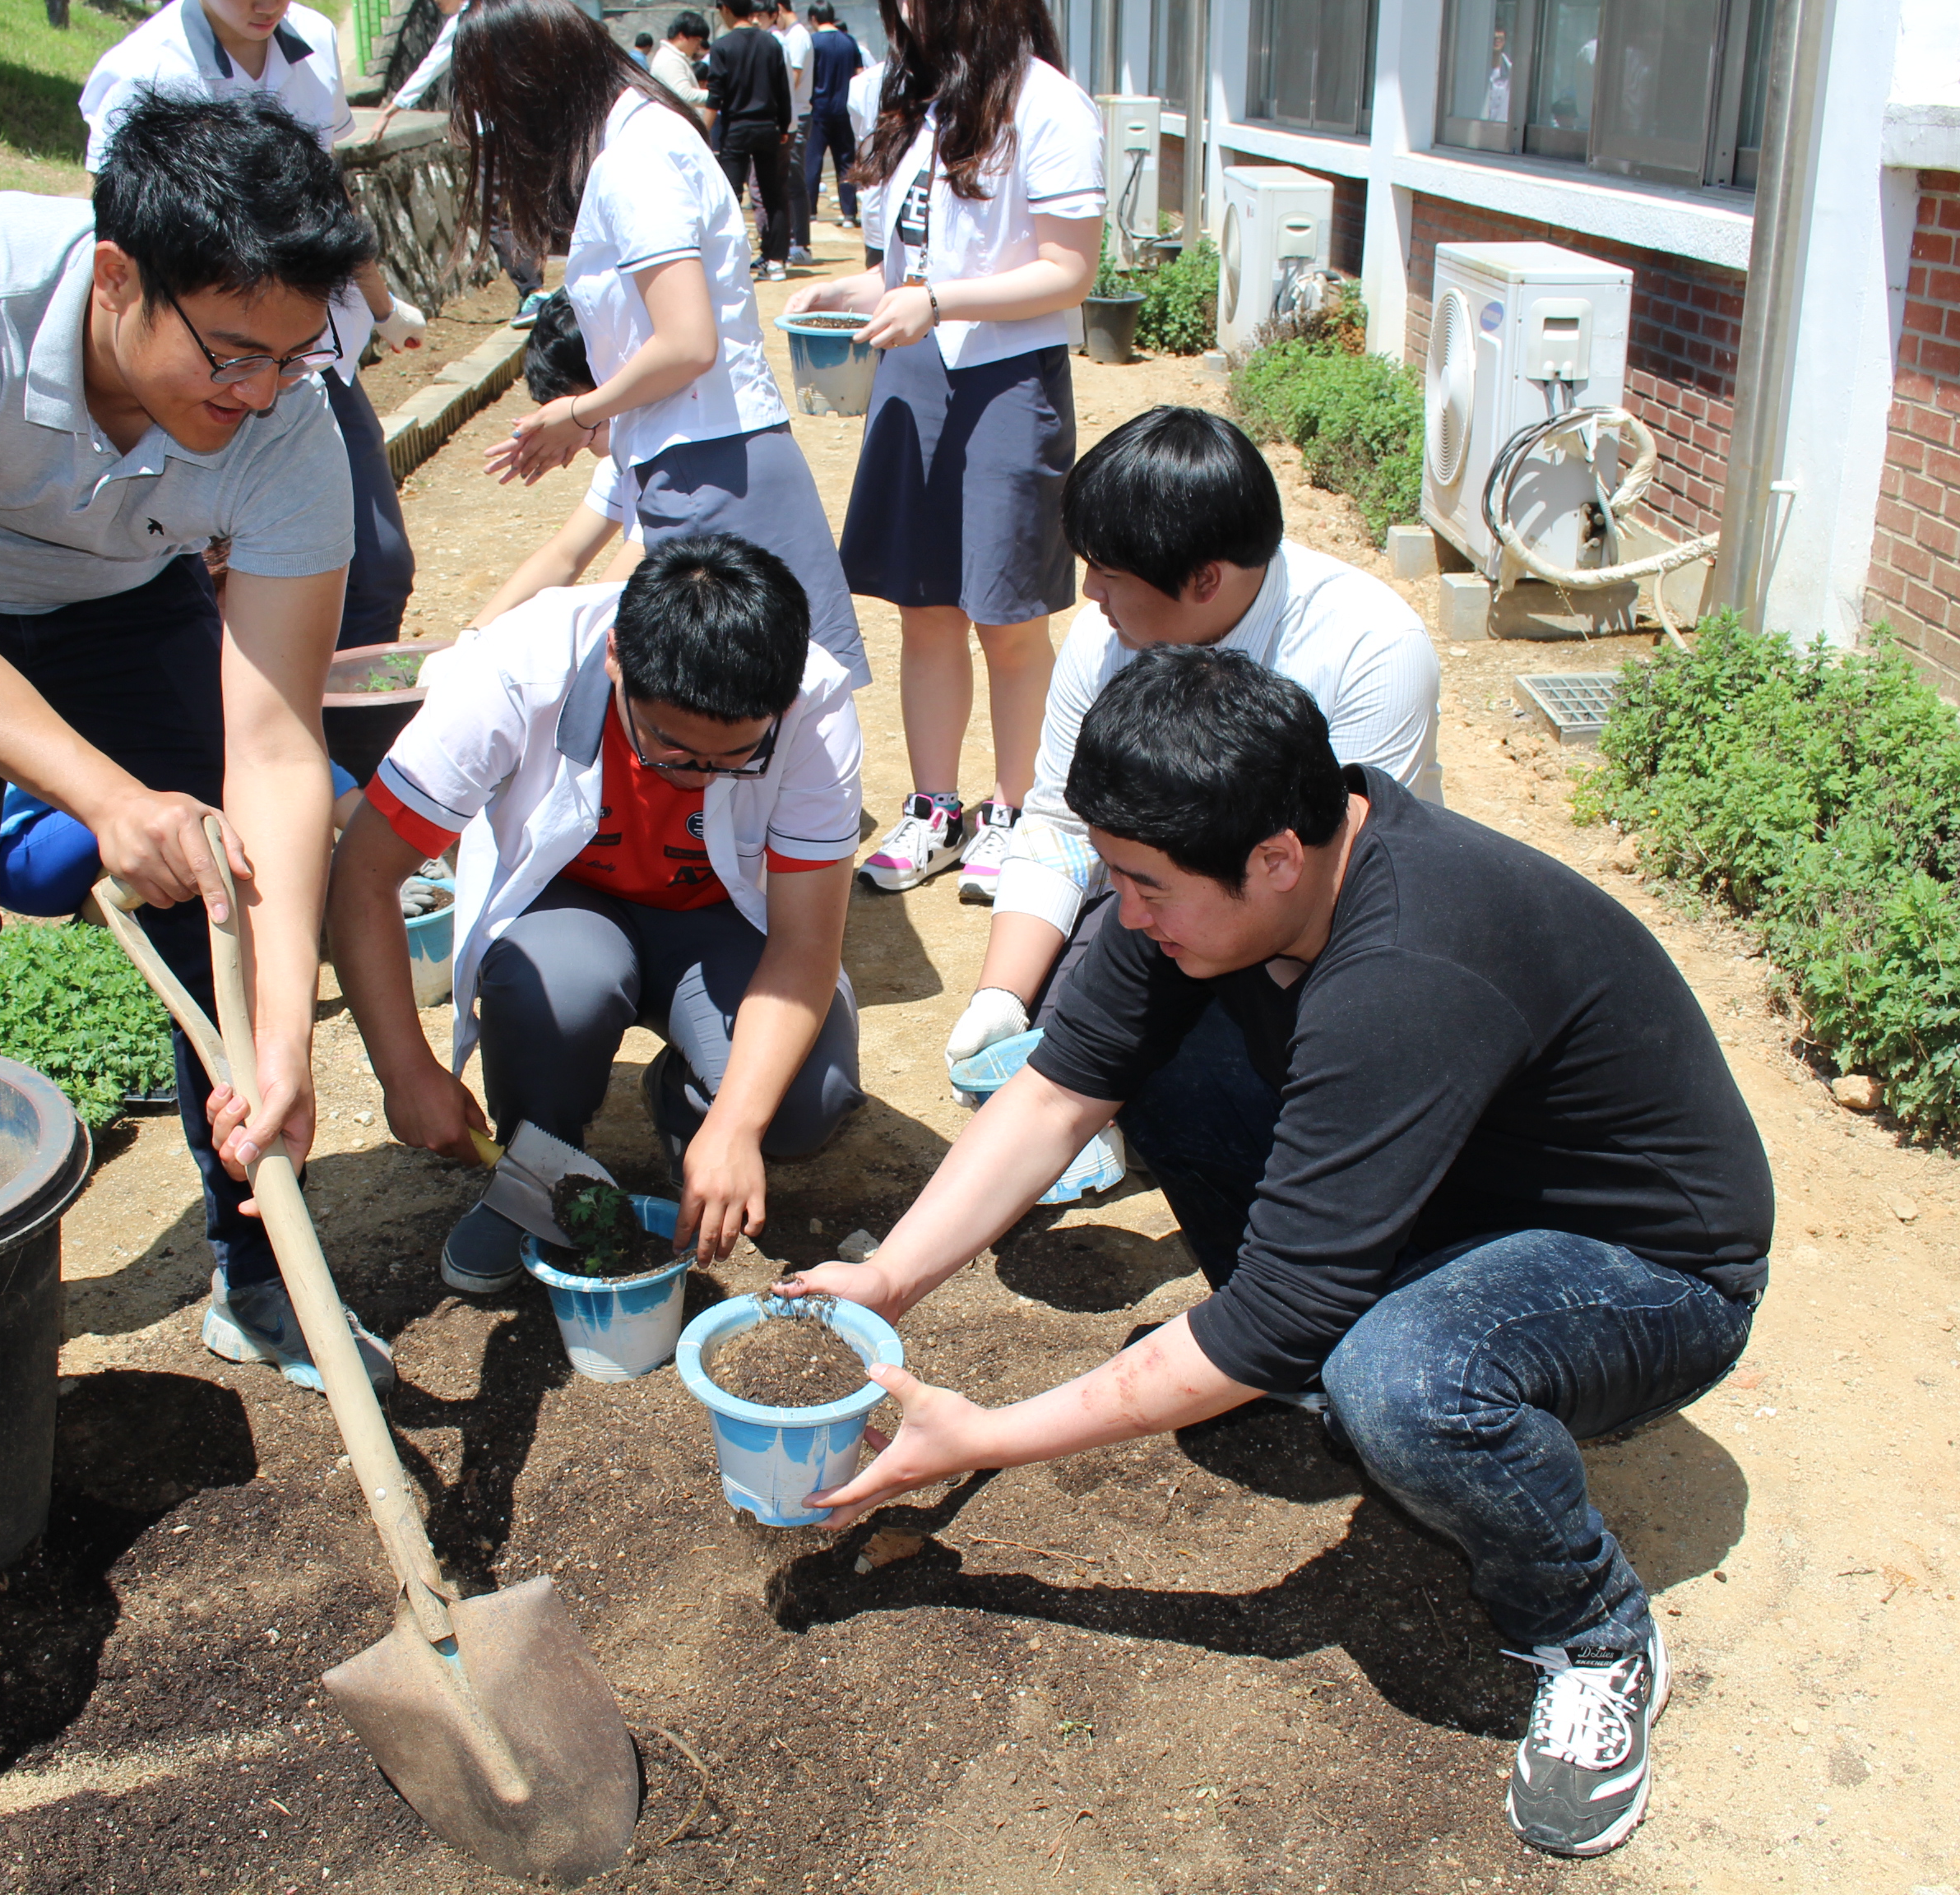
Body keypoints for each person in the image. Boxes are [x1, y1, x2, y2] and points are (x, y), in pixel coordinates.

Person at [779, 646, 1774, 1862]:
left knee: (1403, 1386)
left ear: (1277, 858)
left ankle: (1594, 1630)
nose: (1125, 915)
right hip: (1455, 1189)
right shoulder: (1226, 875)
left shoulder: (1412, 962)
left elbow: (1271, 1317)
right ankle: (1336, 1345)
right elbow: (1052, 1097)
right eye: (1114, 877)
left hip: (1642, 1273)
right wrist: (889, 1280)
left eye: (1146, 887)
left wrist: (986, 1436)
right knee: (1173, 1080)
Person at [0, 92, 396, 1394]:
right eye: (230, 353)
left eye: (291, 358)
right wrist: (110, 798)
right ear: (120, 276)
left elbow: (280, 749)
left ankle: (258, 1282)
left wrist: (285, 1041)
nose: (256, 394)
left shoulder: (289, 420)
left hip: (122, 604)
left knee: (217, 902)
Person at [330, 535, 866, 1290]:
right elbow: (363, 872)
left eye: (734, 759)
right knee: (555, 988)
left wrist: (735, 1126)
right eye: (671, 751)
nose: (697, 779)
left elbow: (806, 943)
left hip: (716, 919)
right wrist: (405, 1069)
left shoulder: (813, 701)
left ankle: (689, 1118)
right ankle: (531, 1173)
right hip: (571, 907)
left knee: (805, 1099)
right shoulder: (514, 670)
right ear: (615, 657)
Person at [948, 409, 1443, 1156]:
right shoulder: (1106, 636)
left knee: (1222, 1079)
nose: (1089, 593)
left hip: (1308, 929)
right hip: (1158, 905)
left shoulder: (1371, 647)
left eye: (1108, 574)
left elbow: (1333, 882)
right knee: (1056, 1045)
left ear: (1205, 579)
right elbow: (1058, 825)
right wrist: (1002, 997)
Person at [453, 0, 867, 686]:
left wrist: (581, 414)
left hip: (710, 463)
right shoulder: (644, 145)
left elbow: (685, 343)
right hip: (704, 455)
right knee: (751, 701)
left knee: (738, 701)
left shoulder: (635, 161)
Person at [787, 0, 1101, 901]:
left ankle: (1015, 812)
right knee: (923, 608)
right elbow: (911, 260)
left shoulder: (1046, 105)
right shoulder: (916, 103)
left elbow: (1070, 269)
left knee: (1007, 614)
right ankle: (937, 811)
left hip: (1006, 374)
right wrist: (854, 290)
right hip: (916, 370)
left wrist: (942, 299)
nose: (910, 12)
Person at [80, 0, 431, 654]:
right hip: (203, 365)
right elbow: (125, 230)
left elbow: (326, 195)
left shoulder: (316, 41)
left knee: (379, 567)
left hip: (303, 357)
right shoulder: (143, 72)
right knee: (204, 579)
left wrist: (379, 306)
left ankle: (338, 729)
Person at [464, 293, 651, 628]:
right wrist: (473, 637)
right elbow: (564, 556)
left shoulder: (668, 465)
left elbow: (610, 606)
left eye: (564, 410)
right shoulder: (620, 459)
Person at [702, 0, 798, 280]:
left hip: (736, 129)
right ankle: (777, 260)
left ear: (727, 11)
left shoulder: (722, 46)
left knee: (731, 196)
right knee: (773, 195)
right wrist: (783, 124)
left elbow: (715, 94)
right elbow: (783, 88)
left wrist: (702, 131)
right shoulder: (771, 43)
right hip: (768, 127)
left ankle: (731, 262)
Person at [797, 3, 863, 255]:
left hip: (818, 109)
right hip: (844, 109)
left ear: (813, 18)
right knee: (846, 162)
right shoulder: (849, 42)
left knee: (812, 162)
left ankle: (811, 212)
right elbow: (858, 74)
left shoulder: (813, 42)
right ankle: (849, 213)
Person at [773, 2, 816, 262]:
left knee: (795, 179)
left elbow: (794, 78)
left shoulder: (798, 36)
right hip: (793, 114)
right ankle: (794, 240)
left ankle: (801, 244)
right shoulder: (791, 35)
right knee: (789, 179)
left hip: (797, 114)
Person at [650, 11, 713, 114]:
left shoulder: (673, 57)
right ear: (681, 36)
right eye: (697, 40)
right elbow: (685, 95)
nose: (698, 46)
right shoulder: (669, 59)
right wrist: (719, 96)